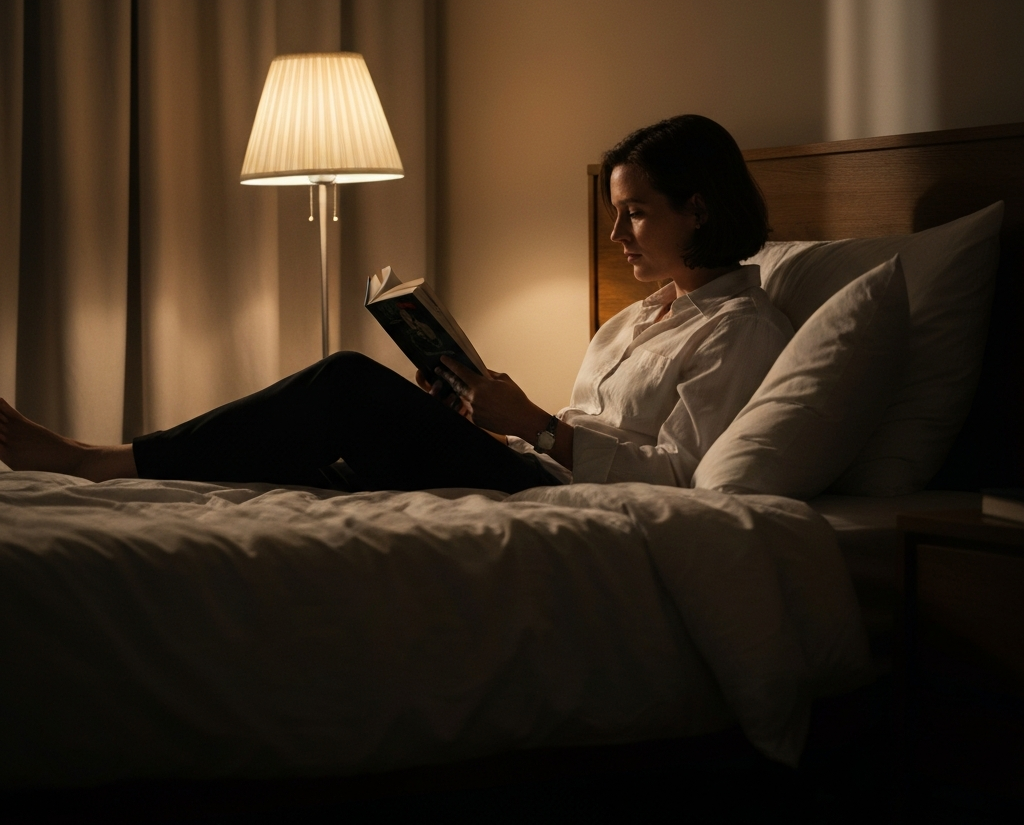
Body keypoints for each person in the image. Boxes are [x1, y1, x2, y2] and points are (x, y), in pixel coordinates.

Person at [0, 115, 793, 494]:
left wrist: (541, 427)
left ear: (698, 207)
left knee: (346, 381)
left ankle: (96, 461)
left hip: (564, 495)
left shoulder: (741, 331)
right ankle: (132, 471)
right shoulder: (637, 317)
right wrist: (480, 407)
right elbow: (588, 433)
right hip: (533, 467)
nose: (616, 231)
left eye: (637, 211)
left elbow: (685, 477)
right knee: (330, 444)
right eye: (614, 210)